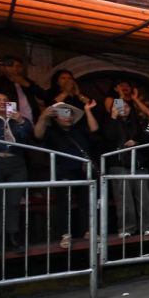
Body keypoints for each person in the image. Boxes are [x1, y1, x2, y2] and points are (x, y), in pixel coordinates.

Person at [34, 101, 100, 245]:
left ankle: (89, 231)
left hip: (83, 171)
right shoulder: (51, 131)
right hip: (63, 171)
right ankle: (65, 235)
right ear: (56, 117)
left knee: (86, 202)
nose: (67, 117)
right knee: (63, 203)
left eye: (70, 114)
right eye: (63, 114)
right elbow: (37, 135)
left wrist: (87, 110)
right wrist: (43, 117)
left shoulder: (79, 129)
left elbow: (94, 129)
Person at [102, 90, 149, 237]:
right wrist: (113, 115)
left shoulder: (137, 122)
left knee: (144, 198)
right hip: (119, 165)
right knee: (124, 199)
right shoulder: (110, 122)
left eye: (127, 106)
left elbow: (146, 138)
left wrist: (136, 141)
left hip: (138, 164)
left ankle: (148, 227)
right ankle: (127, 228)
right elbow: (109, 136)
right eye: (120, 106)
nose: (124, 109)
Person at [0, 91, 33, 252]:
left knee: (13, 203)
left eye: (5, 100)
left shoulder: (20, 119)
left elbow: (26, 137)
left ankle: (13, 237)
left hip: (16, 163)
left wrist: (21, 121)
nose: (1, 102)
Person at [0, 55, 50, 125]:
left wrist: (27, 84)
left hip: (32, 121)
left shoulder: (26, 81)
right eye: (11, 66)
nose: (15, 68)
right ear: (3, 68)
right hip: (10, 122)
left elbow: (44, 95)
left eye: (18, 66)